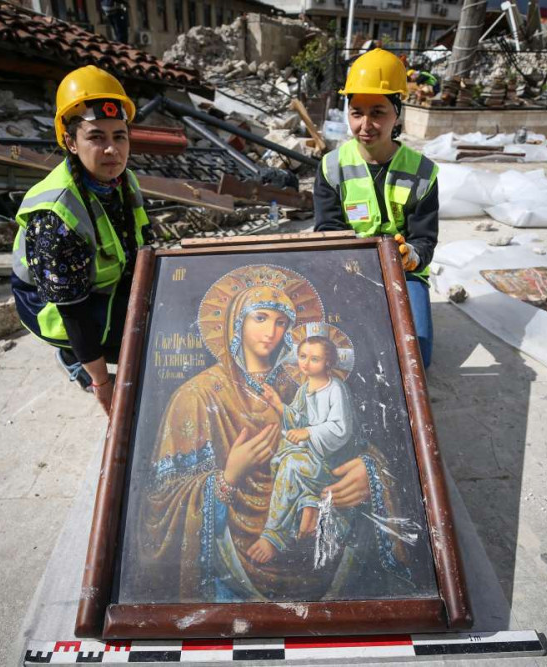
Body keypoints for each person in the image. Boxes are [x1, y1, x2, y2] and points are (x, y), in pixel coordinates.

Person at [131, 265, 417, 603]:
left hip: (322, 553)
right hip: (234, 567)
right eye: (261, 318)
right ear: (236, 322)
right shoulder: (197, 397)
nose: (272, 331)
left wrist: (367, 471)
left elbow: (355, 443)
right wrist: (226, 478)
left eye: (282, 323)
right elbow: (158, 505)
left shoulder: (307, 384)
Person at [10, 65, 150, 414]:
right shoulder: (56, 215)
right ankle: (74, 357)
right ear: (71, 142)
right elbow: (72, 310)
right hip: (55, 306)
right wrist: (102, 383)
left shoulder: (123, 182)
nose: (111, 150)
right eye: (96, 137)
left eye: (119, 136)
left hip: (100, 286)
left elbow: (142, 243)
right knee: (146, 341)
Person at [314, 49, 439, 367]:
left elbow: (425, 238)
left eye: (378, 112)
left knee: (416, 361)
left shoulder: (422, 172)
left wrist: (411, 256)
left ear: (397, 113)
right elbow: (327, 231)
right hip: (350, 268)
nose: (365, 124)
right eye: (356, 112)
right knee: (341, 354)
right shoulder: (332, 167)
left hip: (404, 273)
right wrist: (351, 268)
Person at [248, 332, 357, 564]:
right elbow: (298, 420)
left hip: (330, 462)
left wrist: (309, 432)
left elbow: (341, 429)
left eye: (314, 359)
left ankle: (274, 535)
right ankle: (304, 505)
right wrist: (278, 405)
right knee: (277, 445)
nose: (306, 363)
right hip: (312, 453)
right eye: (302, 356)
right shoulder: (304, 388)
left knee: (290, 464)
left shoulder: (335, 389)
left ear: (328, 362)